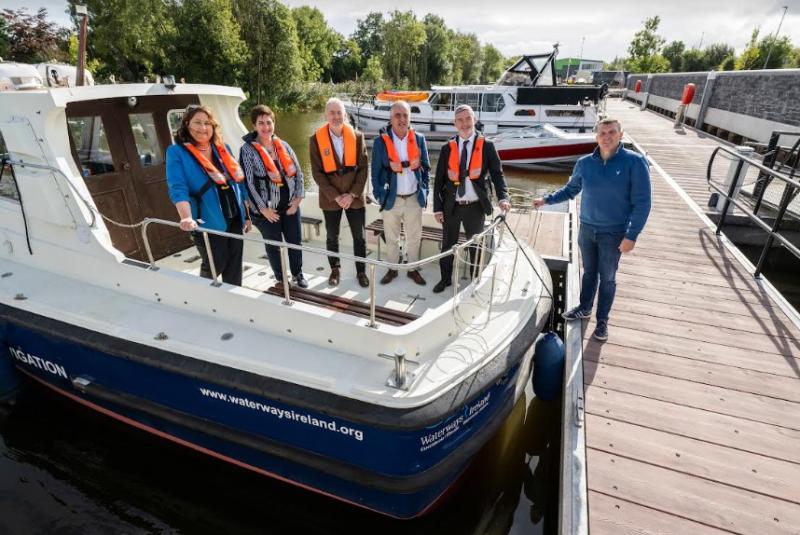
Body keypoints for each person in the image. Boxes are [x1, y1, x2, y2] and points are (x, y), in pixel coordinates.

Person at [533, 117, 651, 341]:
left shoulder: (635, 163)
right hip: (587, 229)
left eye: (612, 132)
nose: (607, 137)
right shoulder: (584, 163)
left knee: (607, 278)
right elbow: (571, 190)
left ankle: (603, 322)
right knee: (589, 272)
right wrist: (546, 200)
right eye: (602, 133)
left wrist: (632, 235)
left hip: (614, 233)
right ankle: (584, 307)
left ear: (621, 135)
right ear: (596, 137)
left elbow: (643, 203)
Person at [166, 104, 250, 286]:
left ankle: (234, 296)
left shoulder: (223, 147)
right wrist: (186, 217)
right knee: (216, 262)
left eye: (207, 123)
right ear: (187, 124)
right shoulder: (176, 152)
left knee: (234, 264)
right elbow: (177, 188)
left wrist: (247, 215)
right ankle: (204, 290)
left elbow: (239, 182)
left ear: (213, 127)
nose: (202, 128)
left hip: (234, 215)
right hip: (207, 218)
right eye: (197, 123)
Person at [432, 104, 511, 293]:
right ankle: (445, 279)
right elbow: (439, 181)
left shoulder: (487, 146)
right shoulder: (447, 148)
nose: (465, 123)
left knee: (476, 245)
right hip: (452, 206)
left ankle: (476, 280)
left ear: (474, 120)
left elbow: (497, 174)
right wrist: (437, 208)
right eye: (460, 120)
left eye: (468, 119)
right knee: (448, 246)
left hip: (475, 206)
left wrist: (503, 197)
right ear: (454, 124)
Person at [239, 105, 307, 288]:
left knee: (295, 242)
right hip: (267, 211)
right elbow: (248, 184)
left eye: (269, 122)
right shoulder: (247, 151)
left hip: (290, 206)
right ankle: (280, 279)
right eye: (261, 123)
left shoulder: (283, 145)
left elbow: (299, 174)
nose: (266, 127)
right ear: (254, 126)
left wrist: (298, 200)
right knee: (274, 246)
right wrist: (264, 210)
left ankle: (298, 274)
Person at [309, 97, 370, 288]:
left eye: (339, 112)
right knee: (331, 236)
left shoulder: (358, 137)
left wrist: (351, 194)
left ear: (345, 114)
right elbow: (317, 173)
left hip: (354, 196)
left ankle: (361, 271)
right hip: (330, 198)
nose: (336, 116)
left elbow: (363, 168)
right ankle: (335, 270)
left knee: (359, 236)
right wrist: (336, 196)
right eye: (332, 113)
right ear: (326, 115)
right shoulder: (315, 140)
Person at [370, 100, 430, 286]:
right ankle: (392, 268)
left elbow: (426, 168)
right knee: (391, 237)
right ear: (391, 118)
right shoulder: (380, 142)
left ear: (409, 118)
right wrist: (380, 195)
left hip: (413, 198)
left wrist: (425, 192)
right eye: (398, 115)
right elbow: (375, 173)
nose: (402, 119)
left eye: (405, 115)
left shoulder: (419, 139)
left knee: (414, 237)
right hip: (391, 200)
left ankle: (413, 269)